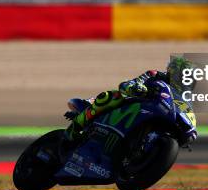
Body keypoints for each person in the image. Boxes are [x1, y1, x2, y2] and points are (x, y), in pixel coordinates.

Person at [63, 56, 193, 141]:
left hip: (154, 116)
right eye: (182, 74)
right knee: (112, 96)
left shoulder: (184, 96)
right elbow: (128, 84)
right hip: (136, 104)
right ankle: (76, 125)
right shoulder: (155, 75)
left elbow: (185, 111)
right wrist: (135, 87)